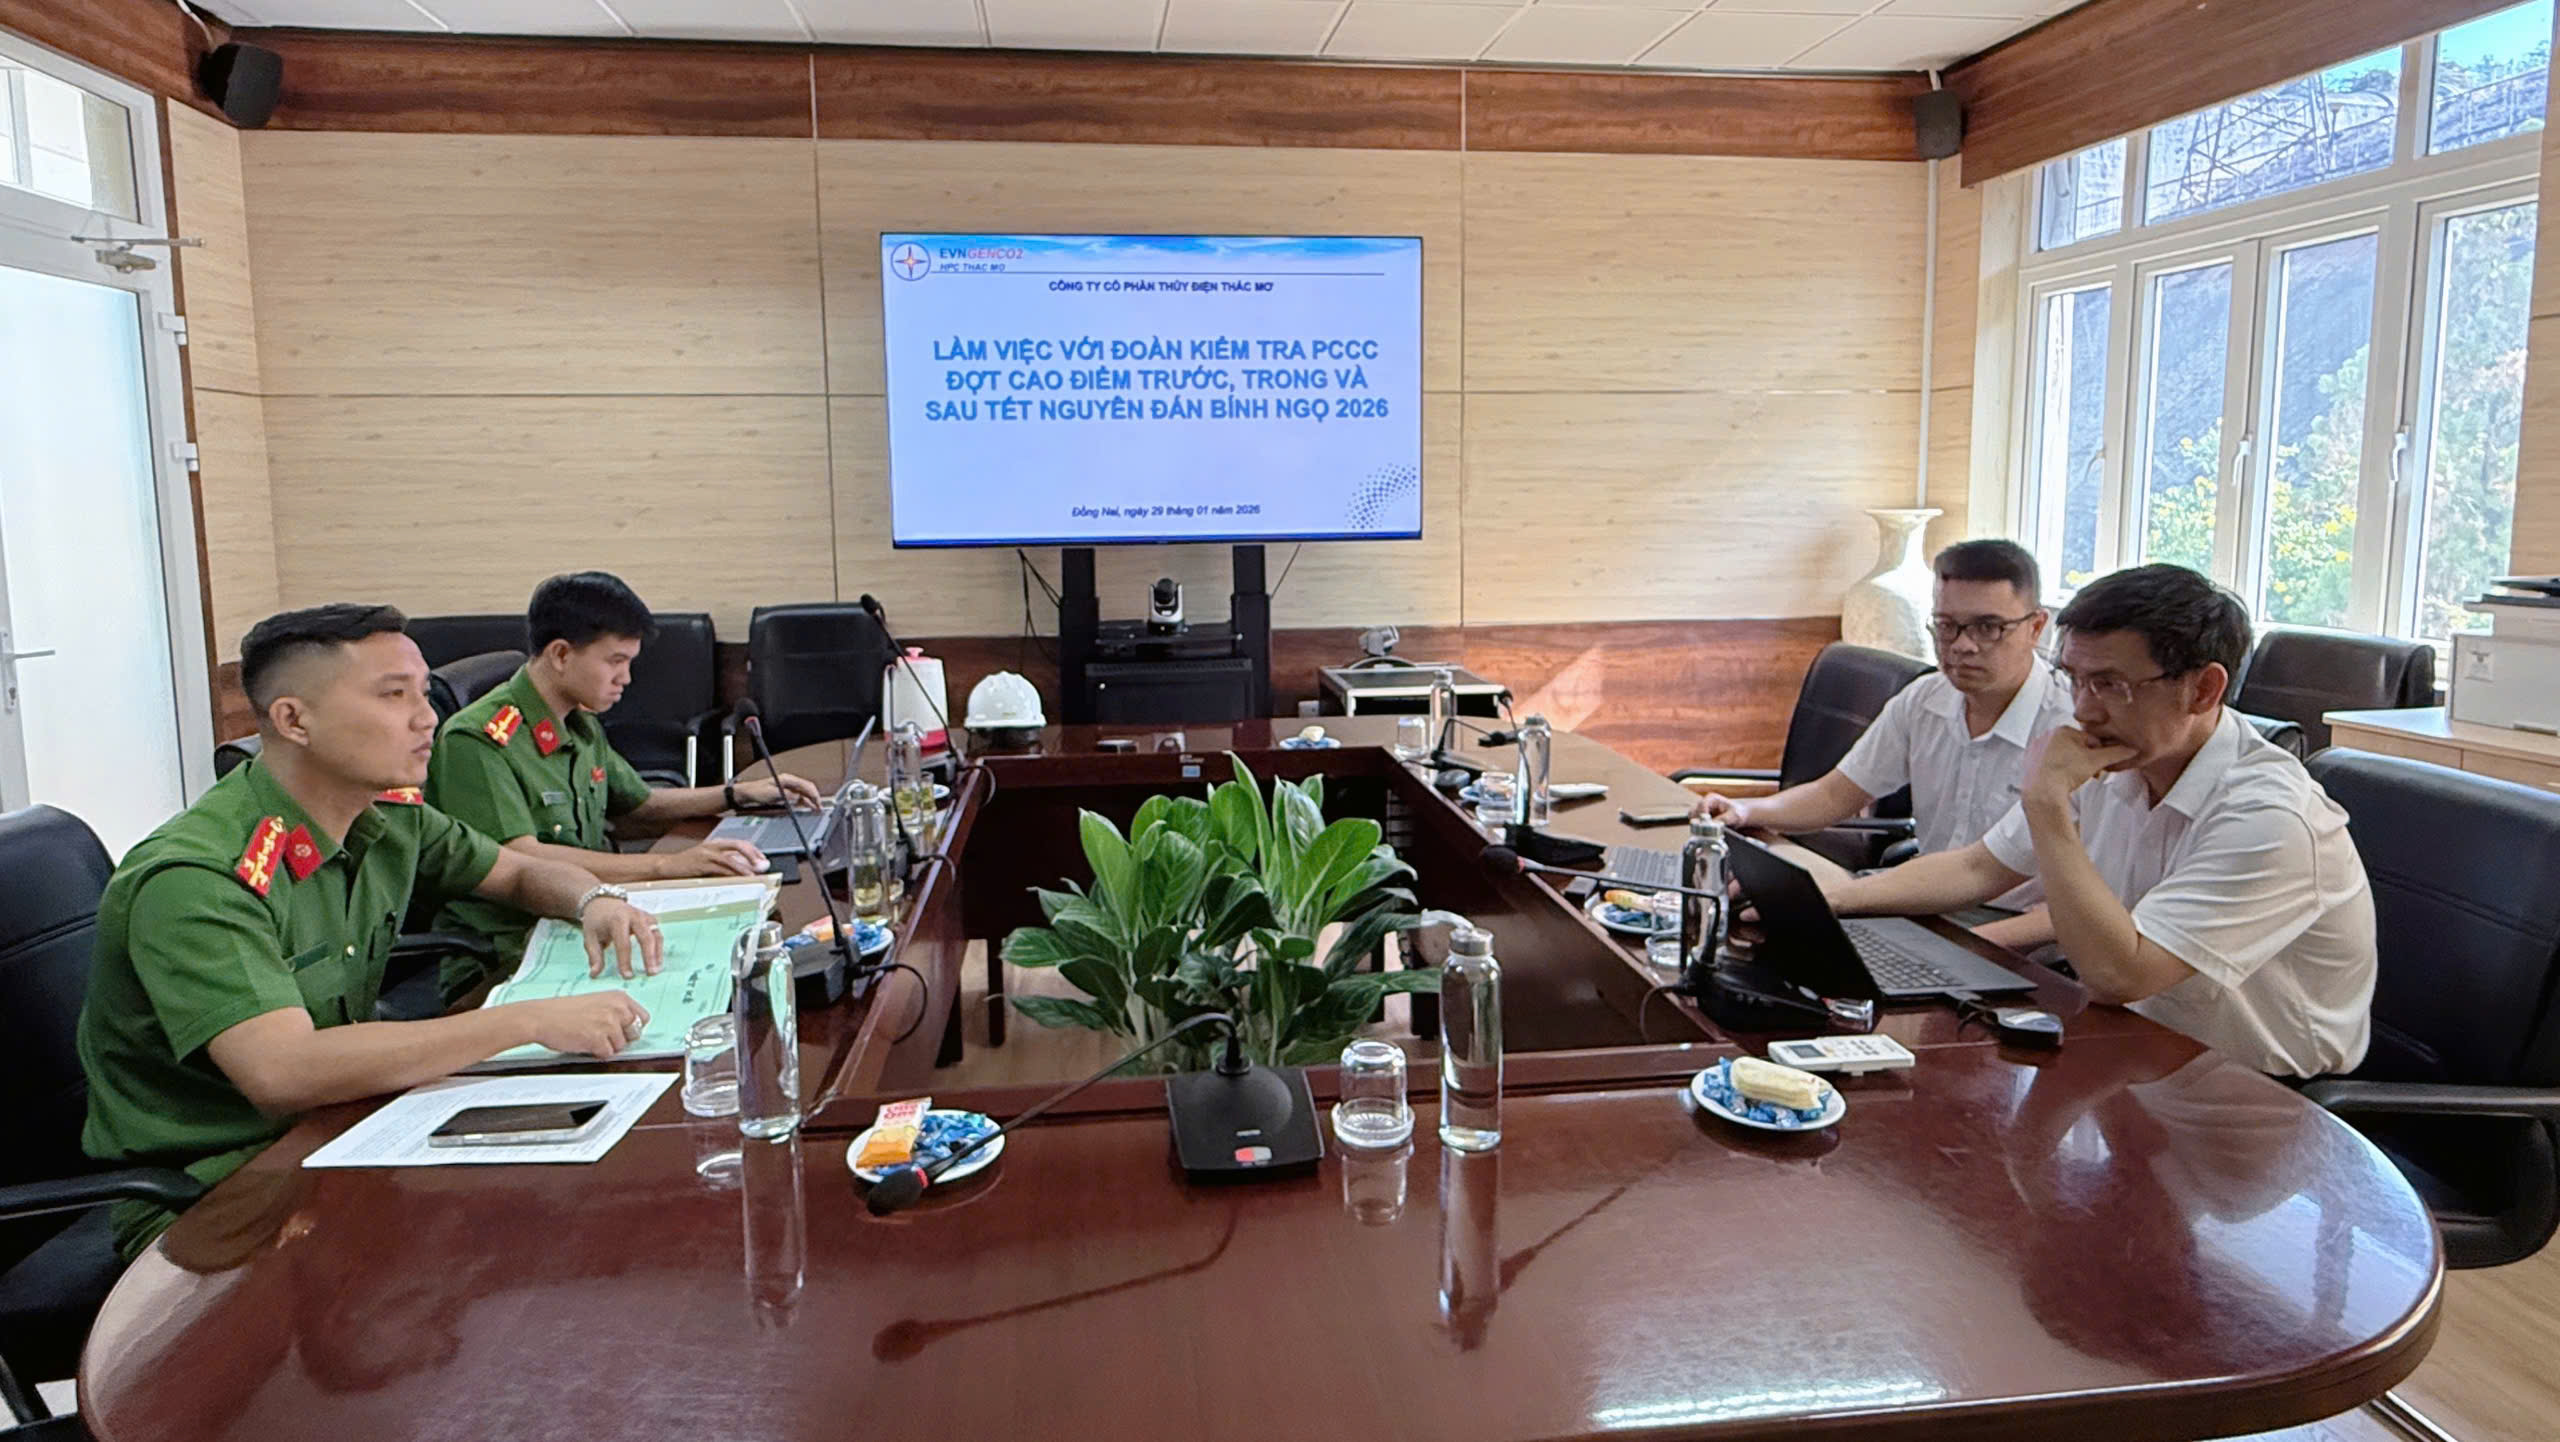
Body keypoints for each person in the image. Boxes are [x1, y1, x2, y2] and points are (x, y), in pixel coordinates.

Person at [79, 604, 666, 1260]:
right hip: (217, 1191)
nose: (427, 717)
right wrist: (528, 1021)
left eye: (423, 692)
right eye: (393, 696)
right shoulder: (200, 876)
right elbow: (283, 1070)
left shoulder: (385, 815)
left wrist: (592, 899)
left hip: (348, 1128)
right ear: (293, 720)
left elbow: (519, 872)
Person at [1820, 564, 2375, 1079]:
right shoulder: (2119, 759)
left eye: (2111, 685)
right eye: (2075, 680)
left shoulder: (2271, 817)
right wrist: (1833, 901)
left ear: (2204, 689)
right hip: (2133, 1051)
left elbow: (2121, 975)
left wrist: (2045, 802)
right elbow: (1978, 867)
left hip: (2258, 1102)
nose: (2084, 709)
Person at [426, 572, 822, 997]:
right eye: (615, 661)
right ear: (561, 654)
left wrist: (733, 794)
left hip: (588, 920)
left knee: (753, 955)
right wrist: (667, 866)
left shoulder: (577, 721)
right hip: (508, 952)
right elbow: (522, 859)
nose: (626, 678)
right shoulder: (478, 741)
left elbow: (637, 803)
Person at [1695, 539, 2072, 918]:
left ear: (2036, 627)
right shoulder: (1925, 698)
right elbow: (1834, 795)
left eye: (1987, 627)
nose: (1962, 646)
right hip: (1920, 899)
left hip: (2011, 922)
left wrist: (1965, 945)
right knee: (1753, 896)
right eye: (1947, 626)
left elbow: (2042, 904)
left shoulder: (2070, 728)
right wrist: (1745, 810)